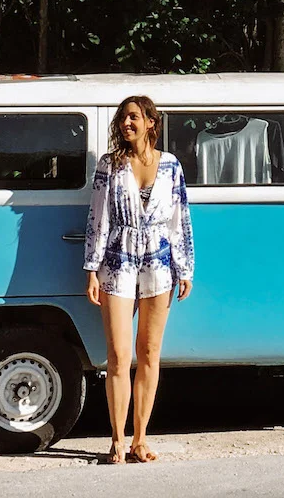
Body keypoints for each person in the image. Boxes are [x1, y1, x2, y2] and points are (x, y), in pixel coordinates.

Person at [84, 95, 194, 464]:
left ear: (150, 122)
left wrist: (185, 268)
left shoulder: (171, 166)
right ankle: (117, 439)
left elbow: (180, 220)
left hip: (159, 264)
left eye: (133, 117)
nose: (126, 123)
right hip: (118, 261)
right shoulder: (110, 165)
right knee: (118, 355)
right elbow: (98, 220)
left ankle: (140, 440)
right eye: (122, 118)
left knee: (149, 354)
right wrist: (92, 269)